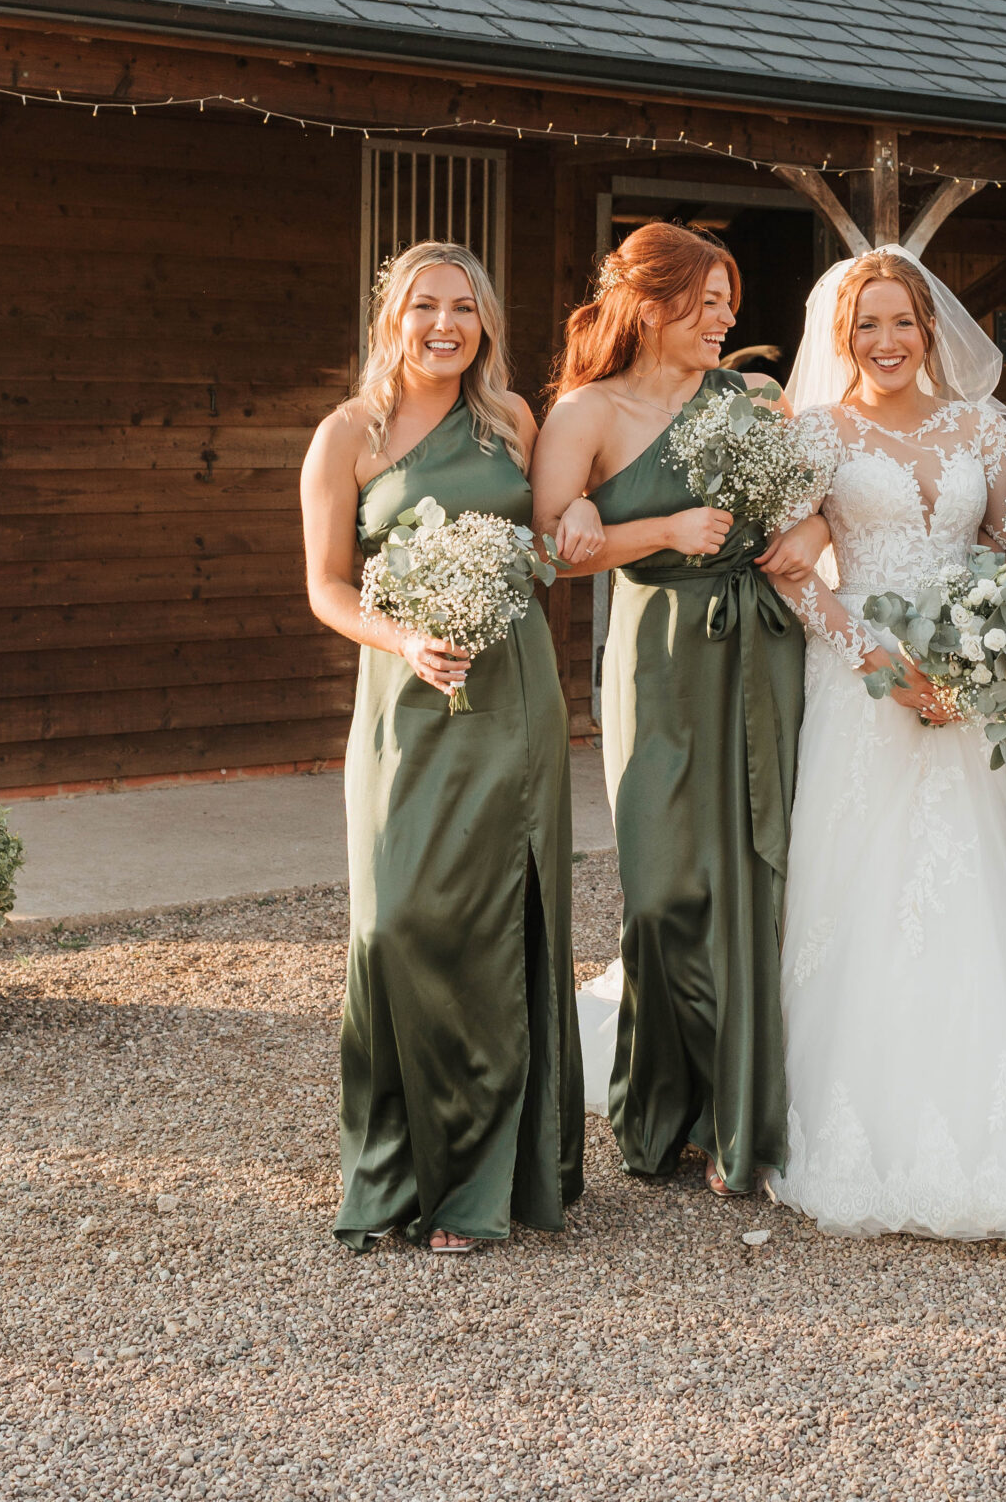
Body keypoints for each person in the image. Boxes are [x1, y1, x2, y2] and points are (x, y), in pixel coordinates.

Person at [760, 245, 1006, 1250]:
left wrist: (996, 650)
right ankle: (856, 1123)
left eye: (901, 322)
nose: (885, 341)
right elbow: (791, 571)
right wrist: (880, 664)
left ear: (928, 330)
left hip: (969, 682)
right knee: (862, 890)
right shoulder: (817, 432)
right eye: (867, 326)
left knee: (974, 892)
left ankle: (990, 1128)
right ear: (842, 339)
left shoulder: (986, 427)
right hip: (865, 686)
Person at [300, 241, 590, 1252]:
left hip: (515, 698)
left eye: (463, 309)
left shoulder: (510, 421)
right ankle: (390, 1176)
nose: (444, 326)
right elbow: (326, 586)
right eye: (425, 307)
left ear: (486, 325)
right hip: (404, 704)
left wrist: (582, 524)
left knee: (500, 922)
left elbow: (548, 540)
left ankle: (483, 1186)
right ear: (392, 318)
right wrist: (402, 637)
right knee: (395, 925)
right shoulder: (345, 437)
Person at [530, 222, 806, 1197]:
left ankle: (740, 1119)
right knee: (657, 889)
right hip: (652, 651)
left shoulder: (755, 400)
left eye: (733, 300)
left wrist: (803, 536)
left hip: (757, 649)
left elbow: (810, 502)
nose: (729, 318)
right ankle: (663, 1100)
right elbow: (556, 547)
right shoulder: (586, 411)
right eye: (711, 299)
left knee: (747, 875)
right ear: (651, 303)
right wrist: (660, 529)